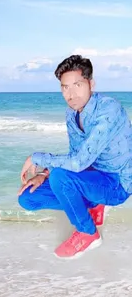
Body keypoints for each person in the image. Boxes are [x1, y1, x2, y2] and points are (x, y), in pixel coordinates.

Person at [18, 55, 132, 259]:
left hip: (117, 183)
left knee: (61, 178)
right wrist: (44, 173)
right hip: (92, 176)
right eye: (65, 87)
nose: (71, 94)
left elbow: (79, 162)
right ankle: (93, 205)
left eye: (77, 85)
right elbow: (75, 156)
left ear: (91, 83)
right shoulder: (72, 114)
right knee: (28, 198)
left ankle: (88, 234)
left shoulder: (108, 109)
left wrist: (37, 158)